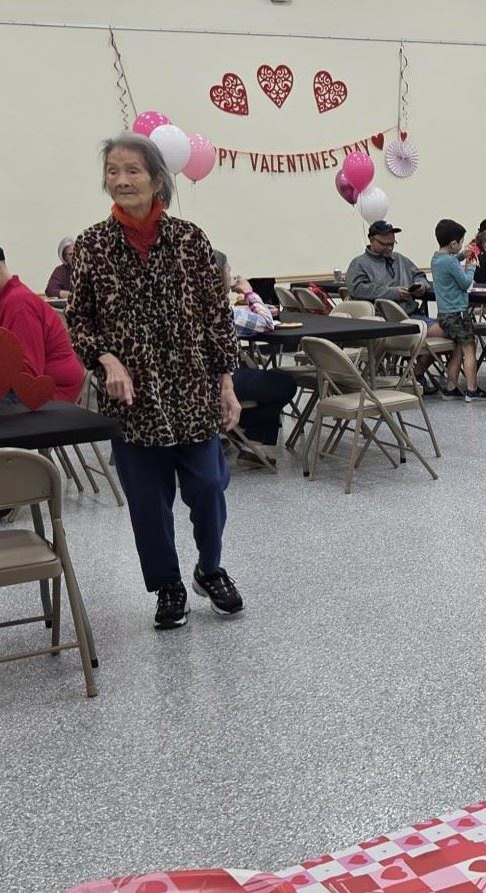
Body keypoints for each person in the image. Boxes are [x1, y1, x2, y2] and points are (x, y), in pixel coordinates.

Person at [65, 132, 244, 630]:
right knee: (148, 504)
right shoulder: (93, 247)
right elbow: (78, 320)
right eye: (113, 171)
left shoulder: (190, 239)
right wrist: (106, 359)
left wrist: (226, 383)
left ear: (157, 179)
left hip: (193, 391)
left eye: (132, 171)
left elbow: (217, 318)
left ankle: (210, 568)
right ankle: (167, 584)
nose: (121, 180)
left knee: (209, 486)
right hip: (133, 400)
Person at [0, 235, 86, 403]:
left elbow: (27, 378)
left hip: (51, 400)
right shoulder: (1, 303)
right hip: (37, 396)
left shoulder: (18, 305)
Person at [210, 250, 298, 467]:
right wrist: (249, 292)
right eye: (228, 271)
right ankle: (254, 445)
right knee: (283, 383)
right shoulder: (220, 310)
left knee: (256, 377)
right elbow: (266, 323)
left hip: (189, 382)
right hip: (216, 382)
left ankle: (238, 432)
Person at [429, 219, 486, 400]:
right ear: (453, 243)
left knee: (456, 349)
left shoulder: (436, 259)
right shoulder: (450, 262)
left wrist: (462, 255)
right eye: (461, 242)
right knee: (469, 349)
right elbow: (464, 283)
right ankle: (472, 389)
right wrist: (470, 268)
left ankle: (451, 386)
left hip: (445, 314)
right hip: (458, 314)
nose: (462, 244)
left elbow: (451, 261)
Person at [346, 220, 428, 319]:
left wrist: (421, 285)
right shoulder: (359, 263)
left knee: (444, 329)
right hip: (379, 319)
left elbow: (419, 275)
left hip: (410, 313)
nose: (389, 248)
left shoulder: (399, 259)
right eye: (384, 244)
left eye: (392, 244)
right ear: (371, 240)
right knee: (442, 330)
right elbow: (357, 289)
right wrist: (393, 293)